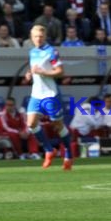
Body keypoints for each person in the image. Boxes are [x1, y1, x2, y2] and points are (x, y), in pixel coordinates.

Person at [25, 25, 73, 170]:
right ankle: (49, 150)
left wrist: (43, 72)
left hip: (50, 94)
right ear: (31, 38)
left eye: (40, 36)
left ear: (45, 37)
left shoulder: (51, 52)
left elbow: (60, 71)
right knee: (31, 123)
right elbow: (34, 68)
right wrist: (29, 74)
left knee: (58, 126)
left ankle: (69, 154)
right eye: (35, 36)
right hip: (36, 94)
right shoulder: (32, 52)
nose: (38, 39)